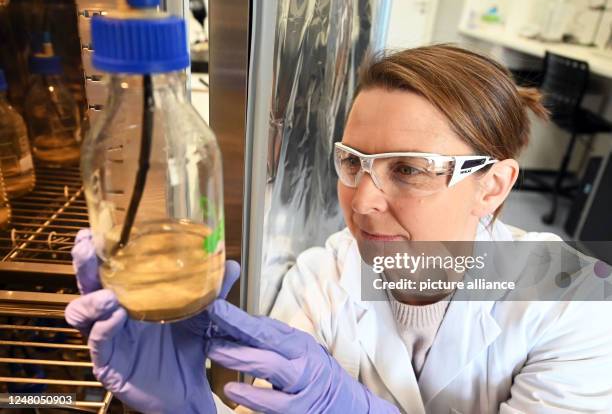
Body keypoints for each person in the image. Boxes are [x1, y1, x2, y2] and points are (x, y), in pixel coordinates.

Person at [65, 45, 612, 413]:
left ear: (492, 186)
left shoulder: (575, 301)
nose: (364, 201)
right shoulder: (321, 277)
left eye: (409, 170)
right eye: (353, 161)